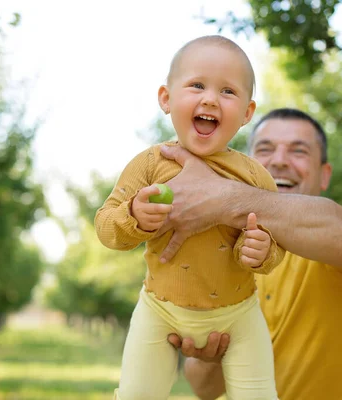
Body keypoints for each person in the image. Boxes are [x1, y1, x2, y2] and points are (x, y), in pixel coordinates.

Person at [95, 35, 283, 400]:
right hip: (160, 309)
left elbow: (275, 248)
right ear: (166, 98)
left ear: (247, 112)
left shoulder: (255, 178)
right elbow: (106, 227)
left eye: (228, 91)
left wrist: (260, 250)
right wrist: (134, 215)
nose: (210, 98)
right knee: (135, 396)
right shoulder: (151, 164)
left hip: (239, 316)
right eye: (197, 85)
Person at [161, 108, 342, 400]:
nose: (280, 161)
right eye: (265, 149)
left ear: (324, 175)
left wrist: (223, 197)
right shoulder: (230, 257)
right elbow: (203, 388)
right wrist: (214, 354)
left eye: (298, 151)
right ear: (243, 166)